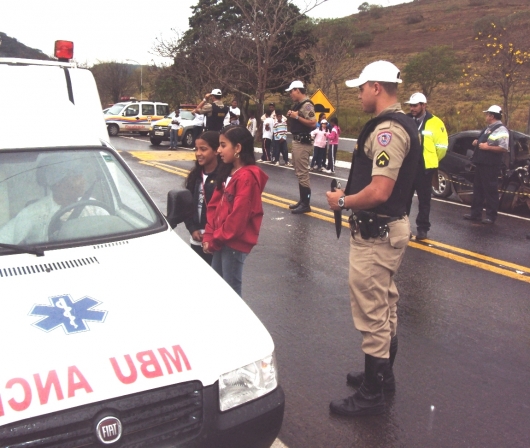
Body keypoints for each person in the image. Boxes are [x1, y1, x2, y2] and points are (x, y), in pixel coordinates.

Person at [326, 61, 421, 417]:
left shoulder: (388, 131)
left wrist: (343, 201)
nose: (359, 94)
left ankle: (372, 392)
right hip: (386, 231)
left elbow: (380, 190)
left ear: (377, 87)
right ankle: (383, 376)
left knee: (372, 313)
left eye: (362, 88)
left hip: (377, 233)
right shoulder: (401, 124)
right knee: (386, 304)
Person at [202, 126, 268, 297]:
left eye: (223, 145)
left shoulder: (247, 177)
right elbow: (213, 207)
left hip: (233, 242)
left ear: (237, 148)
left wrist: (215, 240)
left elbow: (238, 219)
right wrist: (209, 235)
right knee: (217, 285)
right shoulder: (228, 172)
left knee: (230, 290)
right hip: (221, 239)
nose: (218, 150)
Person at [0, 154, 108, 245]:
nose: (83, 180)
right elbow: (5, 238)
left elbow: (111, 225)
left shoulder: (93, 206)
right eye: (75, 176)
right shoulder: (34, 213)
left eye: (81, 175)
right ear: (57, 182)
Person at [404, 92, 448, 240]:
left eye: (415, 105)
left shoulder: (436, 123)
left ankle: (422, 229)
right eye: (411, 105)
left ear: (424, 105)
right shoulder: (406, 120)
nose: (412, 108)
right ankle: (403, 228)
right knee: (404, 199)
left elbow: (441, 147)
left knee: (424, 200)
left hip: (424, 168)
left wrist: (432, 160)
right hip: (407, 167)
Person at [463, 105, 510, 225]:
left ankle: (491, 216)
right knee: (478, 189)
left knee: (490, 191)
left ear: (492, 116)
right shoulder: (488, 128)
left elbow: (503, 148)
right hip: (481, 164)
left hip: (490, 166)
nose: (486, 116)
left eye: (487, 114)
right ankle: (475, 214)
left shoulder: (501, 130)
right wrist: (477, 142)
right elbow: (484, 141)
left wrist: (487, 147)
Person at [184, 131, 220, 265]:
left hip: (215, 240)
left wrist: (212, 234)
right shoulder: (195, 176)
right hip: (196, 237)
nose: (198, 153)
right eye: (196, 149)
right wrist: (192, 228)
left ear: (216, 150)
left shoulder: (223, 177)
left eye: (203, 149)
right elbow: (187, 206)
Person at [286, 80, 317, 214]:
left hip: (302, 143)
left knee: (303, 173)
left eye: (291, 91)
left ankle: (306, 204)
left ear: (298, 90)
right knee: (299, 172)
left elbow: (313, 123)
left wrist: (297, 117)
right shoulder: (298, 105)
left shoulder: (307, 105)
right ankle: (302, 200)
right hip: (297, 141)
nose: (290, 94)